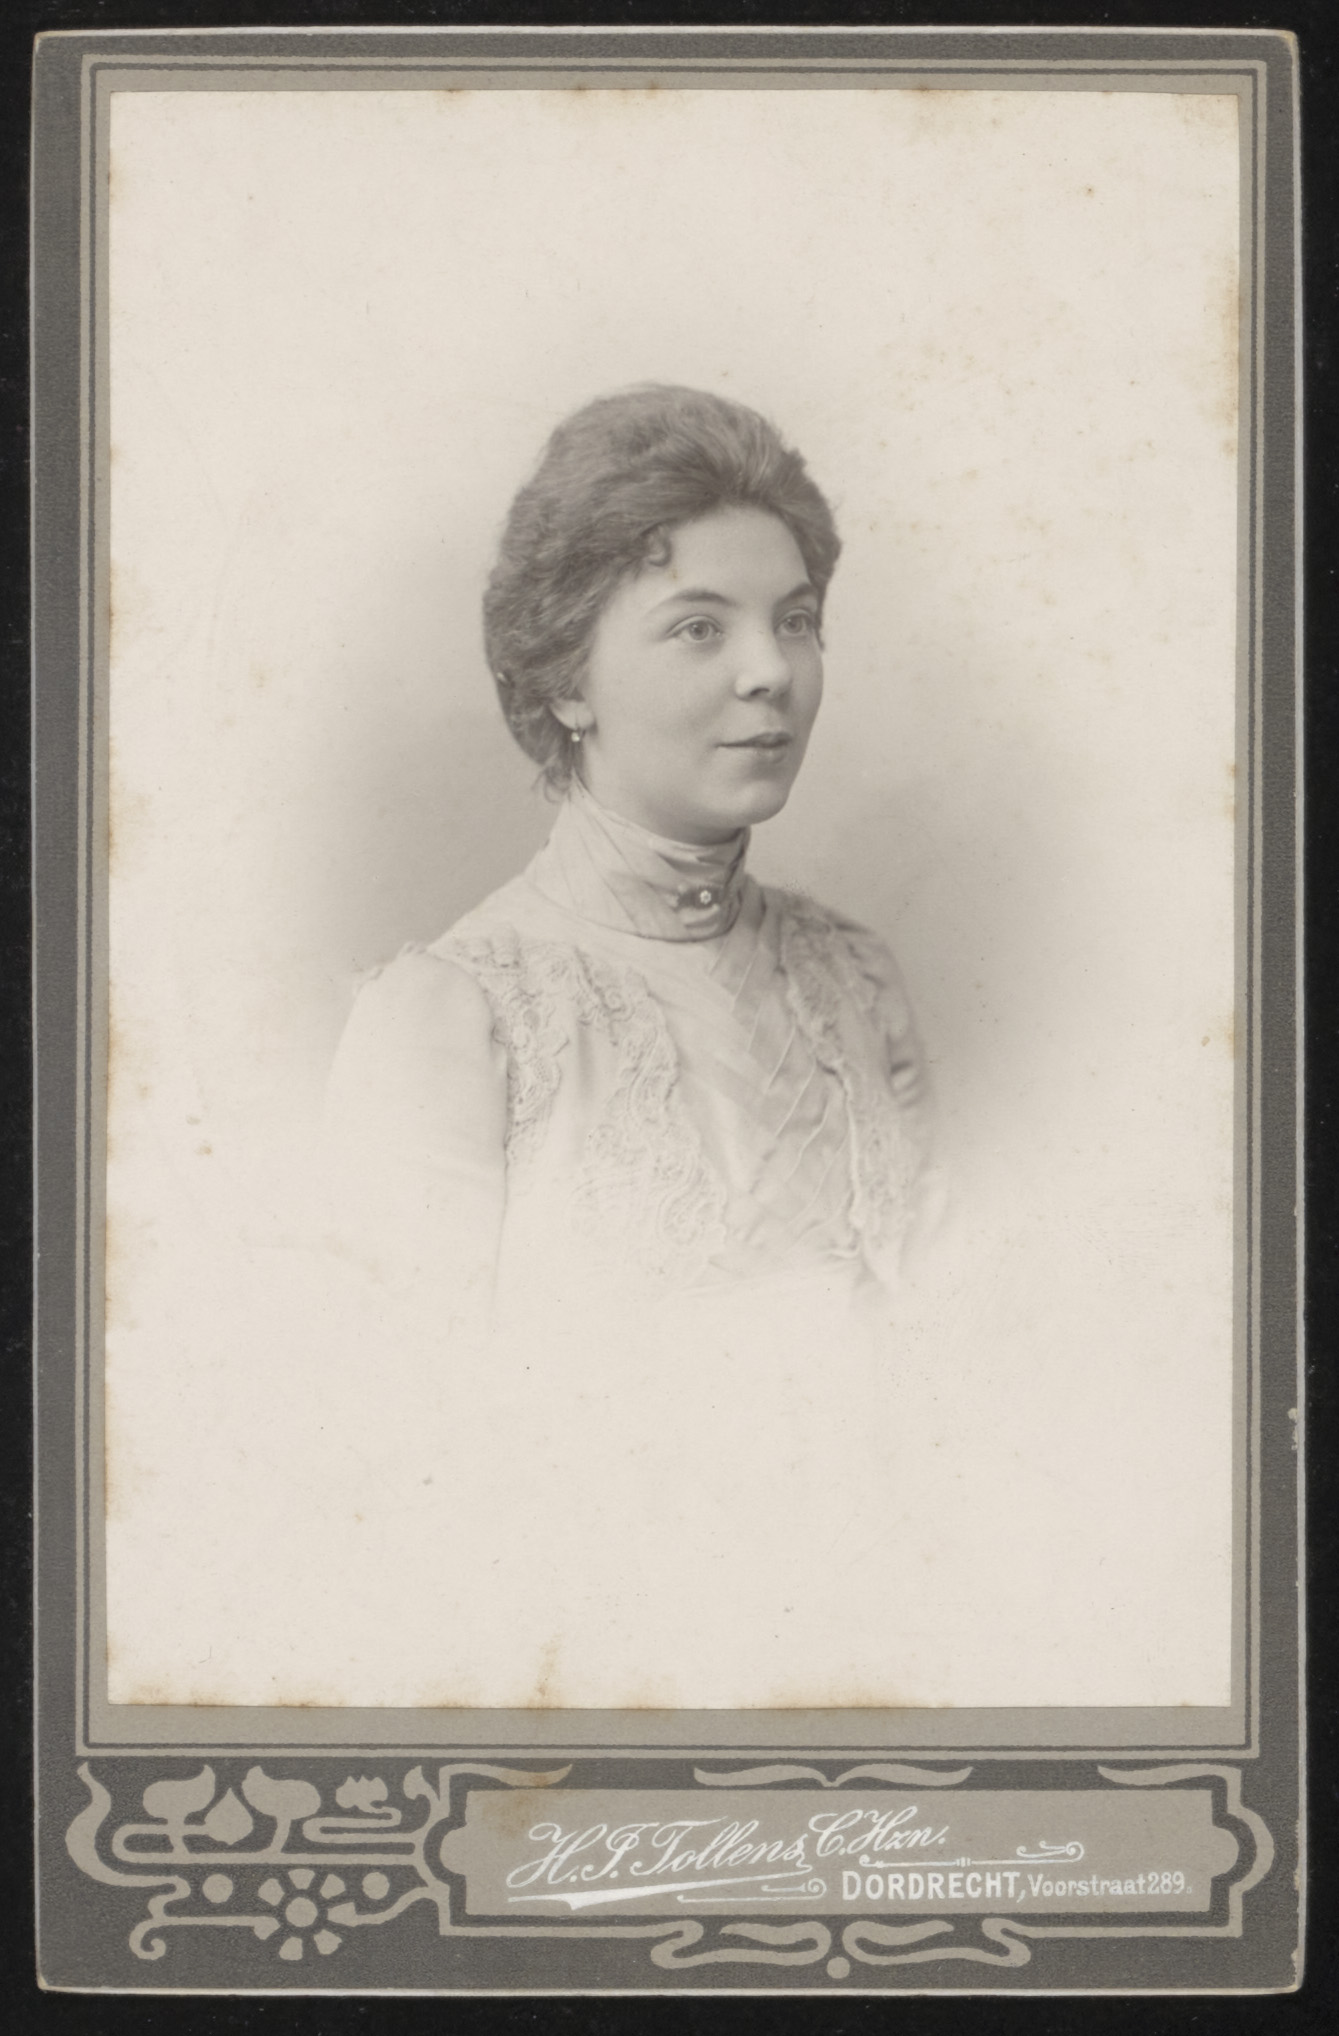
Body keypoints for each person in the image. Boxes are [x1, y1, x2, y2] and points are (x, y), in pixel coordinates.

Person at [323, 386, 935, 1707]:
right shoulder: (452, 1020)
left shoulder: (855, 978)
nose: (769, 671)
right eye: (699, 627)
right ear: (566, 682)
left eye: (795, 621)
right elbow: (391, 1482)